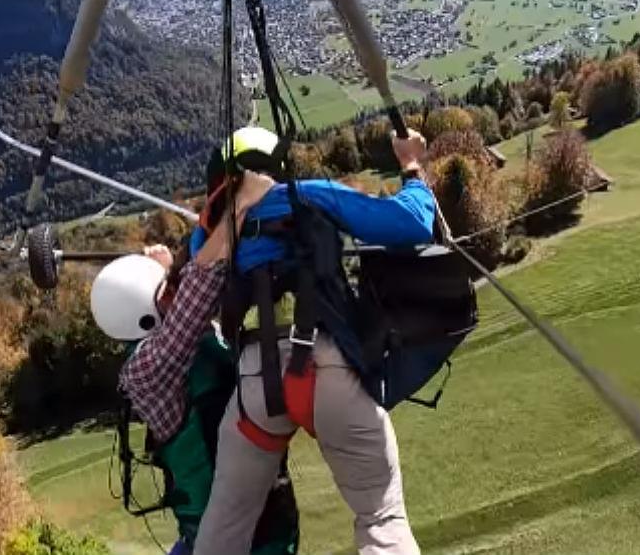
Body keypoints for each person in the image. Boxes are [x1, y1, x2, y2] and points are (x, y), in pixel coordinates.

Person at [186, 126, 435, 555]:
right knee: (381, 517)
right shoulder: (309, 195)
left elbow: (194, 278)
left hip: (256, 389)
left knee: (223, 530)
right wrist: (412, 168)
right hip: (328, 368)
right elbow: (412, 223)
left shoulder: (208, 237)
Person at [91, 202, 300, 555]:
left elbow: (193, 308)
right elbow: (202, 288)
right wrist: (239, 210)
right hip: (237, 539)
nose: (174, 296)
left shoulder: (187, 342)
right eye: (164, 295)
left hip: (253, 521)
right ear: (144, 318)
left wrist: (162, 272)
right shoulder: (147, 370)